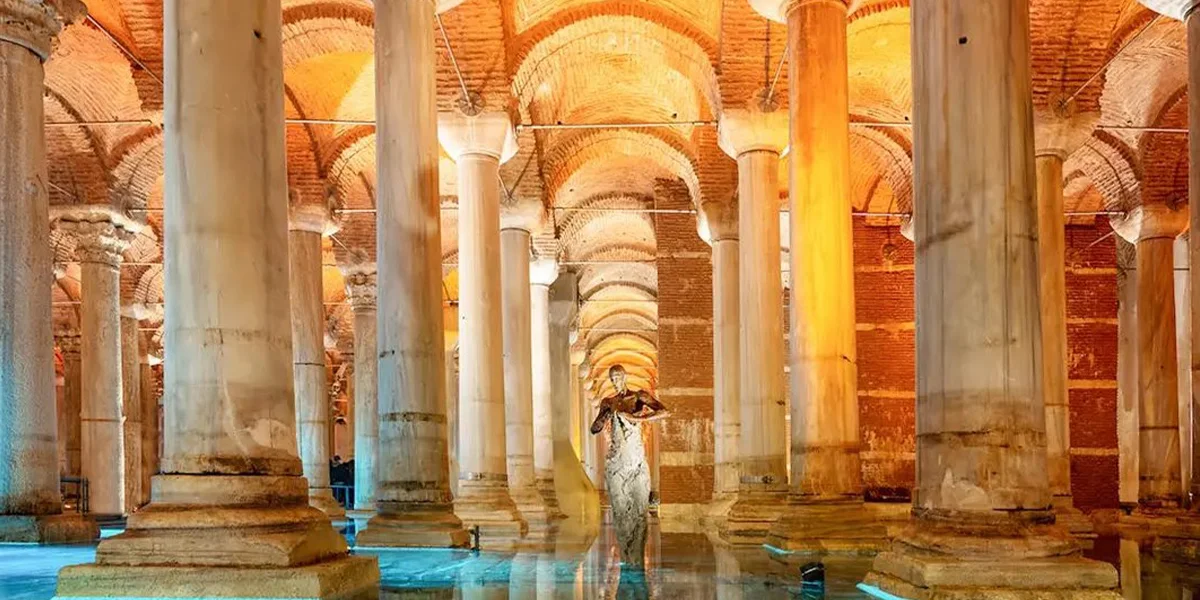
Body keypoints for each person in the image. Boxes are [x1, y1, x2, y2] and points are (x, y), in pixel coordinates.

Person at [590, 364, 669, 568]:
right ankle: (626, 555)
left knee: (640, 513)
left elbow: (664, 412)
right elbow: (595, 428)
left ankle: (638, 557)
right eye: (612, 378)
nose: (615, 381)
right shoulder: (608, 401)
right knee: (621, 513)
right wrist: (603, 417)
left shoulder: (638, 397)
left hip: (636, 462)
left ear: (625, 377)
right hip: (616, 462)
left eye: (618, 377)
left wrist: (637, 417)